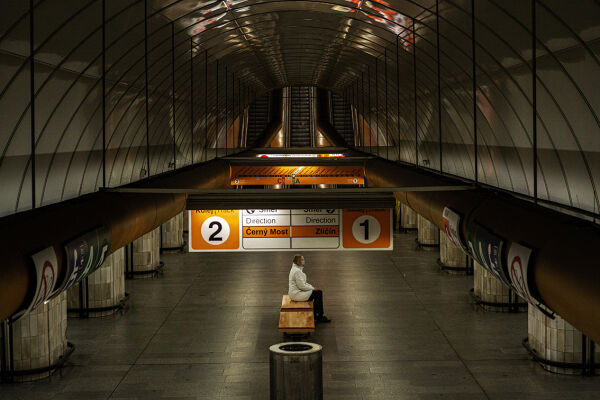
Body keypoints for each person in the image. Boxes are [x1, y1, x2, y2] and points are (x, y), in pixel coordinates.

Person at [288, 254, 331, 323]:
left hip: (297, 292)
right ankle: (319, 316)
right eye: (302, 260)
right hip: (296, 294)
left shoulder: (296, 269)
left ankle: (316, 314)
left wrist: (312, 288)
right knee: (318, 293)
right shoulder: (297, 271)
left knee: (317, 293)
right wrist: (312, 289)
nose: (303, 261)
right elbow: (302, 286)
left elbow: (303, 283)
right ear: (298, 261)